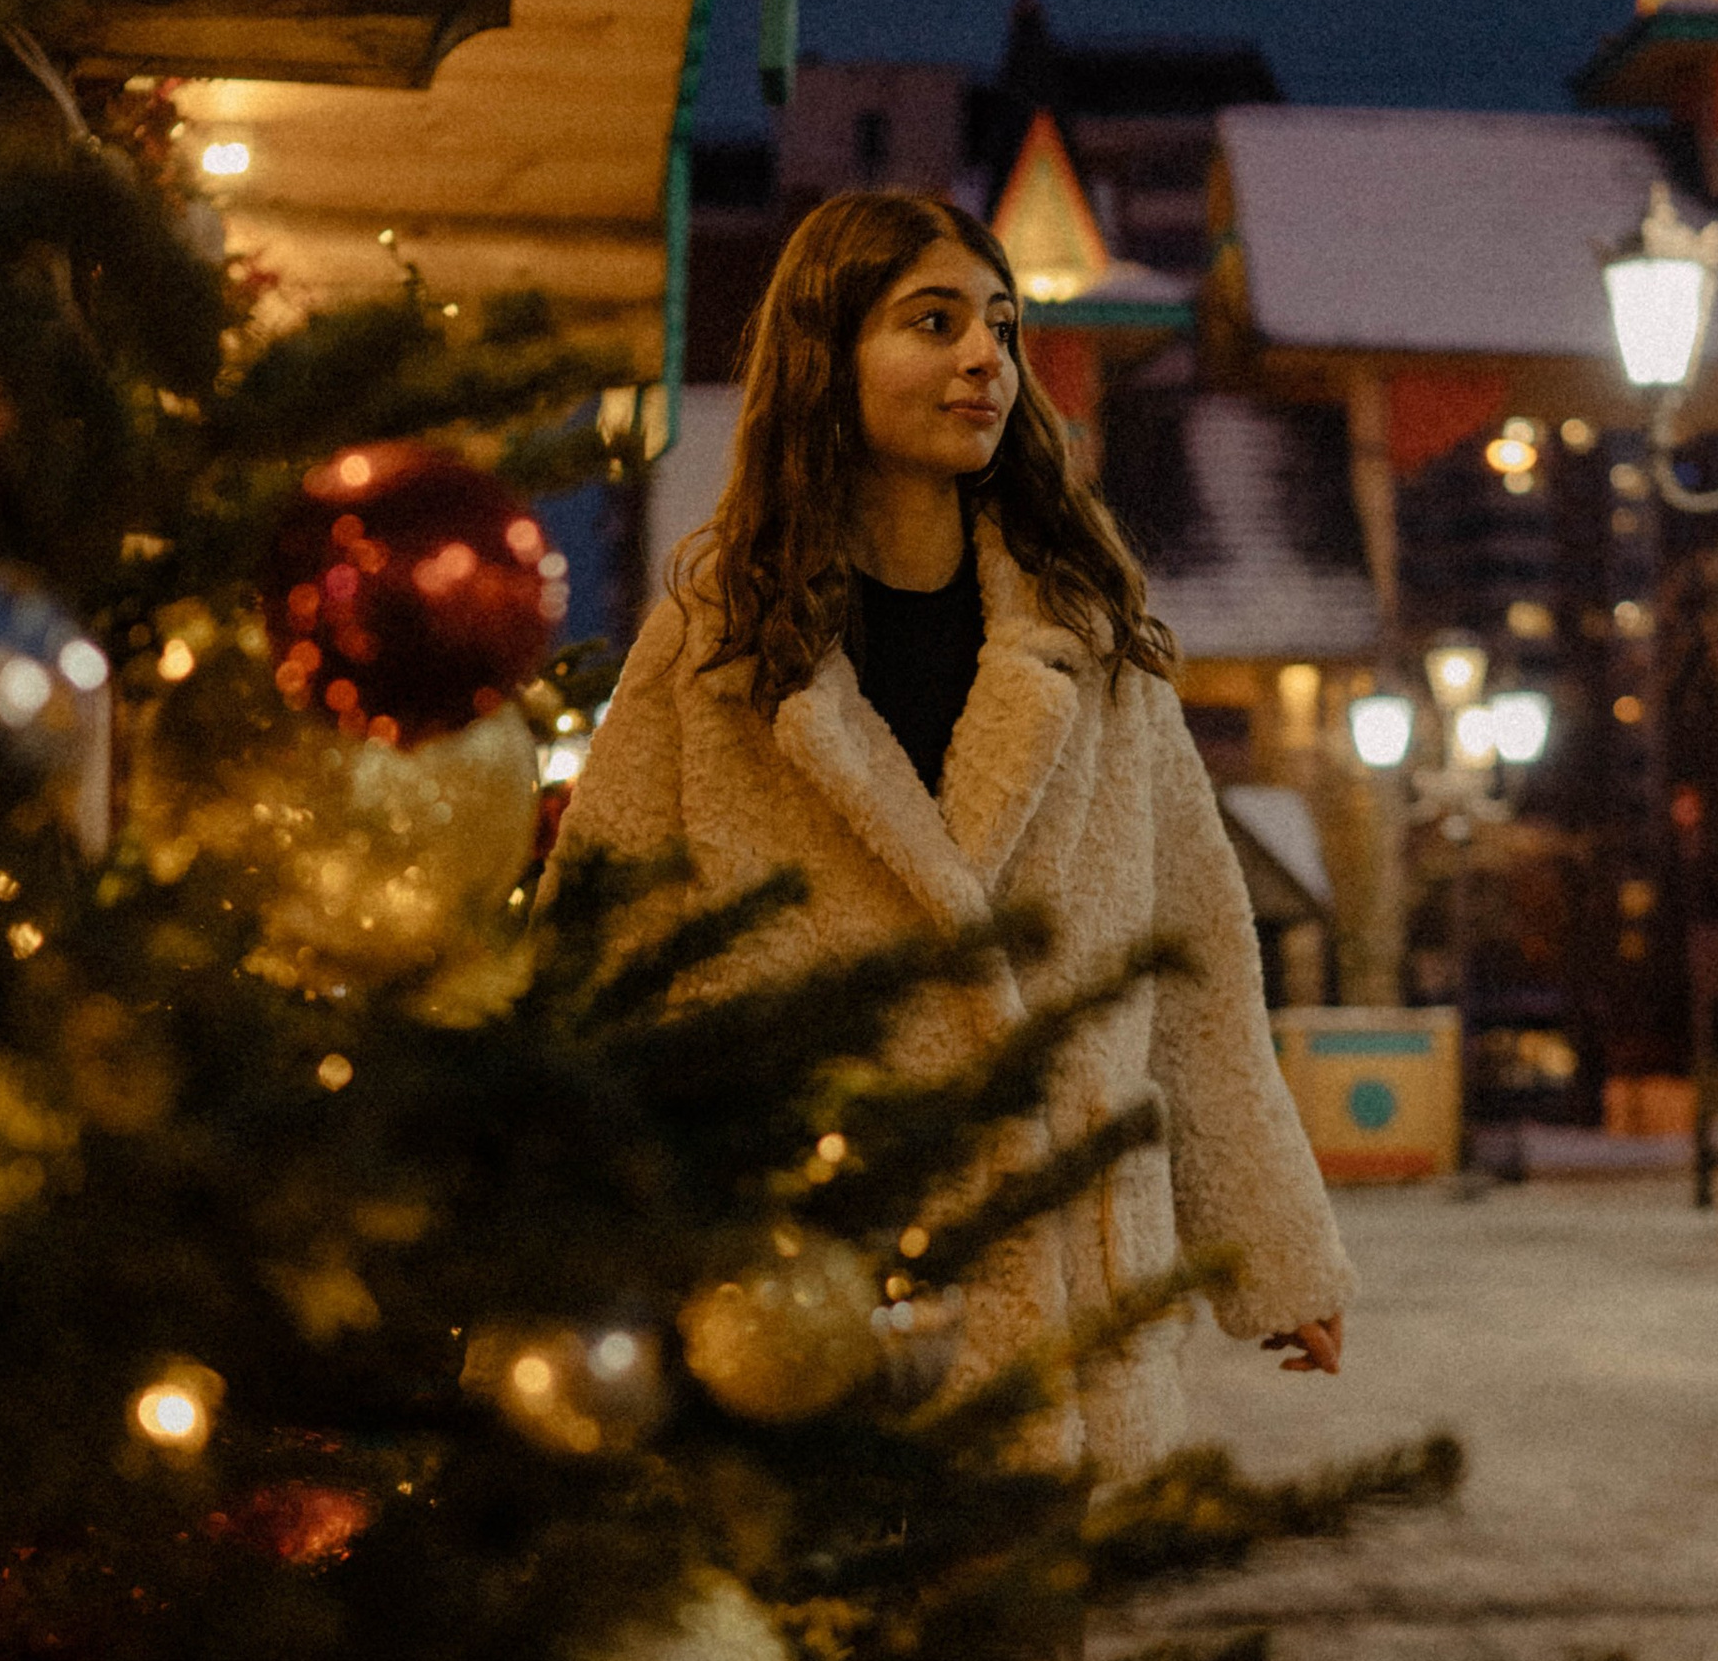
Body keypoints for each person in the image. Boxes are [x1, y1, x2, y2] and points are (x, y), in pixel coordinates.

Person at [553, 190, 1351, 1472]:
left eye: (1001, 325)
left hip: (1060, 1289)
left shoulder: (1090, 639)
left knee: (1023, 1645)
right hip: (800, 1287)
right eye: (933, 322)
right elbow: (602, 965)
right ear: (828, 353)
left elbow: (1197, 967)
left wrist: (1272, 1250)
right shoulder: (717, 646)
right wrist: (578, 1276)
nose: (985, 356)